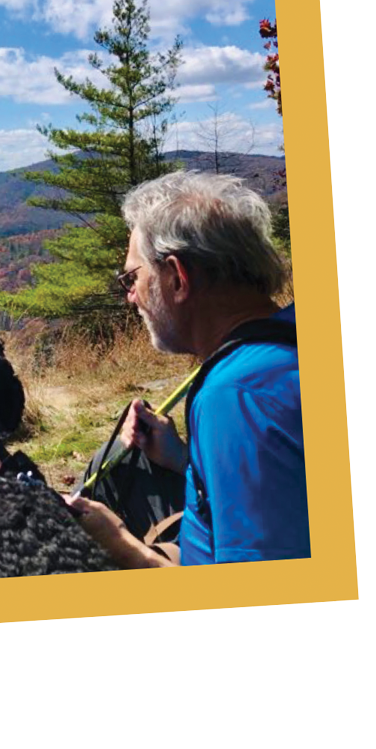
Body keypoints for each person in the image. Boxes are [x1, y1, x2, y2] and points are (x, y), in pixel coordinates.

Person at [65, 170, 308, 567]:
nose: (130, 297)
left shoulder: (237, 398)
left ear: (177, 279)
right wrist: (182, 458)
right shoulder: (292, 334)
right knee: (125, 458)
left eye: (132, 277)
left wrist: (122, 544)